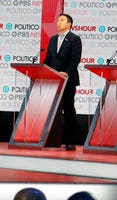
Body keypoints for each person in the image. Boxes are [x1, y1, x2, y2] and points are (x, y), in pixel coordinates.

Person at [43, 13, 82, 151]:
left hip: (68, 80)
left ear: (69, 24)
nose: (58, 22)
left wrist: (66, 72)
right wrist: (42, 70)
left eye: (61, 20)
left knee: (68, 109)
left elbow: (75, 59)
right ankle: (51, 140)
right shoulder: (53, 39)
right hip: (53, 80)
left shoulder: (75, 39)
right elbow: (48, 58)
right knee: (52, 110)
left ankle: (70, 141)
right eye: (58, 20)